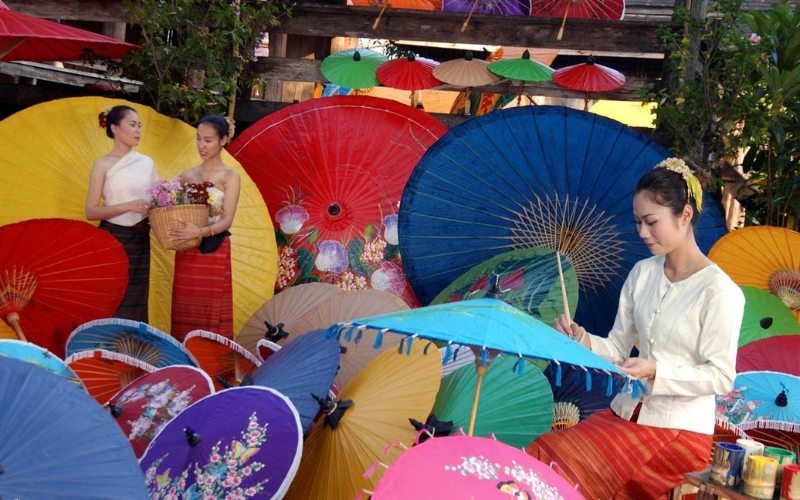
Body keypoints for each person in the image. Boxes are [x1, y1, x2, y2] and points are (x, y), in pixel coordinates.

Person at [527, 158, 745, 500]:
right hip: (627, 412)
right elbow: (616, 348)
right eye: (638, 222)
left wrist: (657, 370)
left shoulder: (719, 291)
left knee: (562, 463)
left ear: (685, 216)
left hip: (678, 432)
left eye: (651, 222)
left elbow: (720, 376)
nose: (642, 232)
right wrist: (579, 337)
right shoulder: (642, 273)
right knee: (543, 451)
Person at [168, 115, 240, 341]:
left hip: (214, 248)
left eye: (208, 140)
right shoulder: (187, 175)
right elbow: (168, 205)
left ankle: (210, 364)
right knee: (185, 310)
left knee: (212, 311)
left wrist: (200, 231)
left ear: (223, 140)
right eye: (198, 139)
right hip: (187, 248)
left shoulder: (231, 176)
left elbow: (226, 220)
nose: (202, 145)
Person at [86, 105, 158, 322]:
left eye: (140, 126)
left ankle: (130, 350)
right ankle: (105, 349)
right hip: (112, 237)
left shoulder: (147, 163)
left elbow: (156, 200)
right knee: (111, 296)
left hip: (140, 237)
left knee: (135, 299)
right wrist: (128, 206)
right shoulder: (102, 164)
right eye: (132, 125)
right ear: (115, 128)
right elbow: (91, 211)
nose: (138, 131)